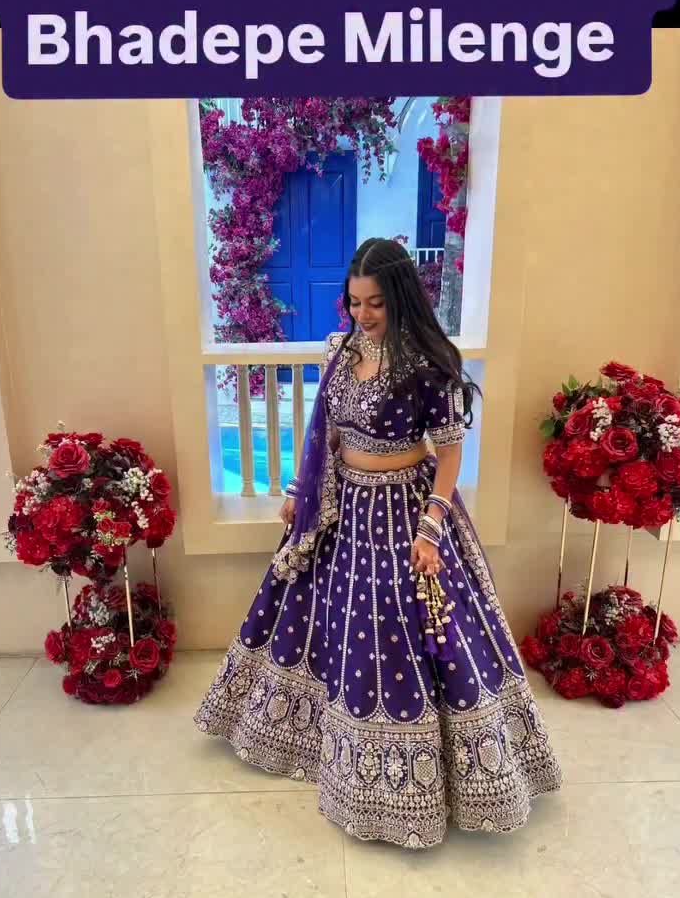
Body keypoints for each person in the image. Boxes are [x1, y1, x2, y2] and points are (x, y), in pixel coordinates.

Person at [195, 238, 561, 849]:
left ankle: (416, 776)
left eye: (375, 304)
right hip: (344, 506)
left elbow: (450, 454)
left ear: (400, 299)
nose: (362, 314)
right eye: (355, 302)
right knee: (333, 619)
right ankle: (324, 742)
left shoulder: (428, 366)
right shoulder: (340, 351)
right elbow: (327, 431)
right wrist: (302, 489)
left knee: (397, 626)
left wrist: (431, 526)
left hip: (404, 510)